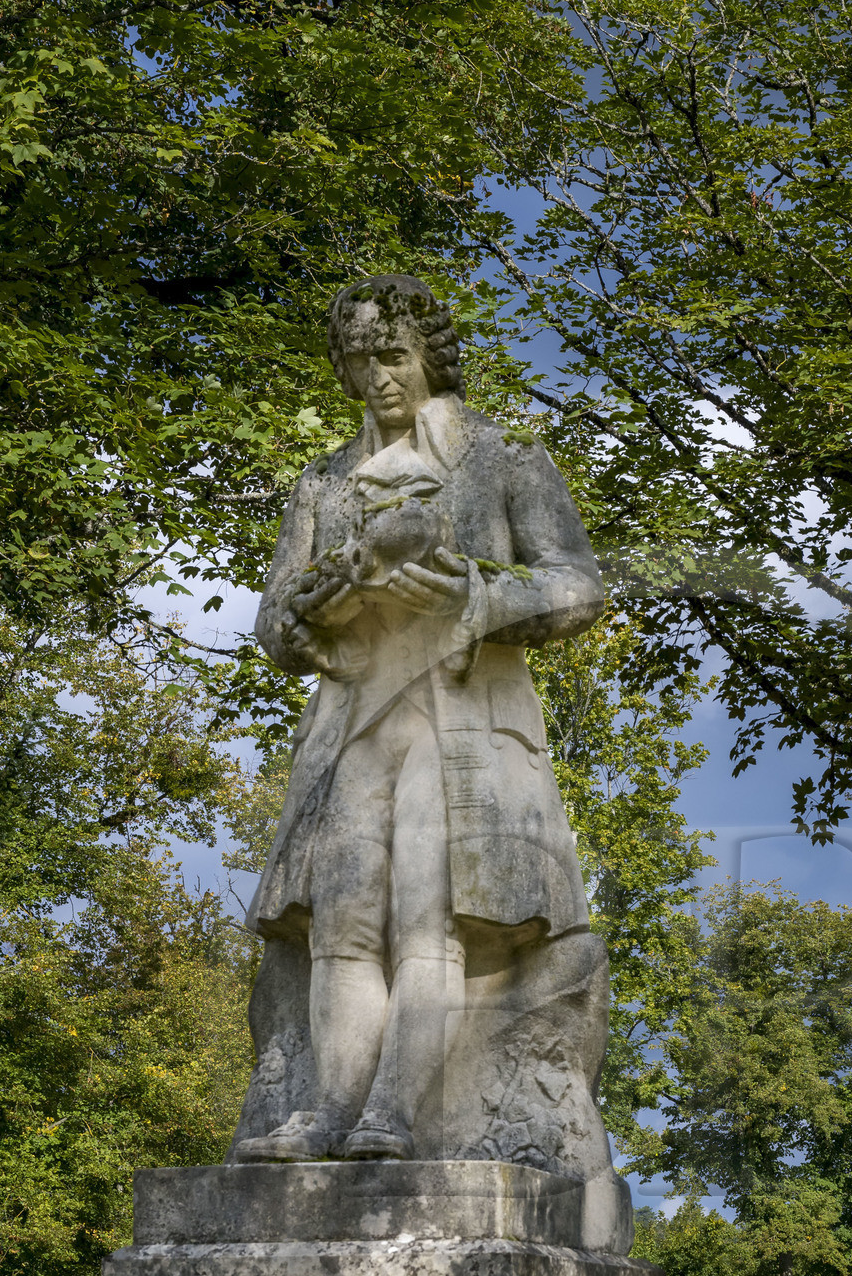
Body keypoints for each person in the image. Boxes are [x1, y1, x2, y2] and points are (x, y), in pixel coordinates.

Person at [235, 274, 604, 1163]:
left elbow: (578, 585)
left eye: (393, 356)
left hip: (463, 719)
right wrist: (305, 613)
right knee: (343, 921)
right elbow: (273, 619)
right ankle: (327, 1114)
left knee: (428, 918)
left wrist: (477, 589)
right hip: (354, 722)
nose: (378, 380)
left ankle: (395, 1115)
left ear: (428, 353)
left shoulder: (503, 457)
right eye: (359, 362)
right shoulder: (323, 483)